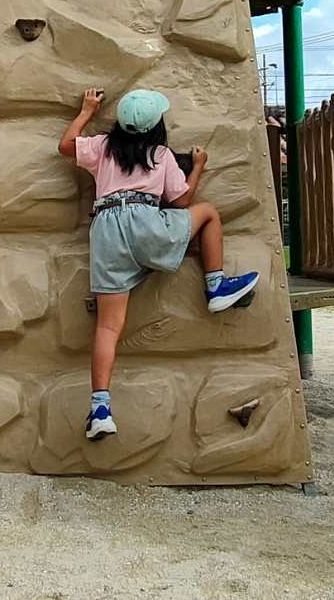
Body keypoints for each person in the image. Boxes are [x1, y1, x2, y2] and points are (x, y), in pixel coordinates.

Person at [59, 88, 260, 442]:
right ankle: (216, 285)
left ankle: (100, 408)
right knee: (208, 213)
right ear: (157, 126)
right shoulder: (161, 154)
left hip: (107, 231)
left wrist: (87, 110)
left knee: (108, 327)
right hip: (148, 225)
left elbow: (65, 146)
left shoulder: (103, 147)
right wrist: (198, 167)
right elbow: (181, 201)